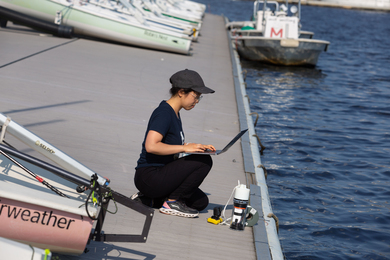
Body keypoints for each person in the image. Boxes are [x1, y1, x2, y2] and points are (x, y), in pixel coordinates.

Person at [132, 69, 215, 218]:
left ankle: (149, 199)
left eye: (199, 98)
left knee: (200, 202)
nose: (196, 101)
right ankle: (171, 202)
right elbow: (151, 146)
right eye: (195, 97)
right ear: (182, 92)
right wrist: (185, 147)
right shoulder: (164, 113)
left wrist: (196, 147)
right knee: (204, 161)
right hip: (150, 176)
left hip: (161, 174)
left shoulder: (175, 113)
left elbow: (169, 145)